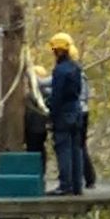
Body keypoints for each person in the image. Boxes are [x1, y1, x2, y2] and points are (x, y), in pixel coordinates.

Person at [47, 32, 83, 195]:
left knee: (63, 149)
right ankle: (77, 185)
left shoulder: (60, 70)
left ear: (57, 50)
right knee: (76, 148)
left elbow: (57, 95)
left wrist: (51, 114)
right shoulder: (76, 67)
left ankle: (65, 185)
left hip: (63, 114)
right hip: (76, 111)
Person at [25, 64, 50, 173]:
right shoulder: (47, 93)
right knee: (40, 149)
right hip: (42, 127)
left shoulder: (34, 94)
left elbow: (29, 113)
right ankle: (41, 171)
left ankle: (34, 172)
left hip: (34, 127)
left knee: (33, 150)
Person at [77, 55, 96, 189]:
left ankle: (87, 177)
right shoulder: (82, 76)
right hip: (84, 110)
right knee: (81, 146)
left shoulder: (73, 75)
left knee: (78, 146)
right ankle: (89, 177)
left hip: (77, 112)